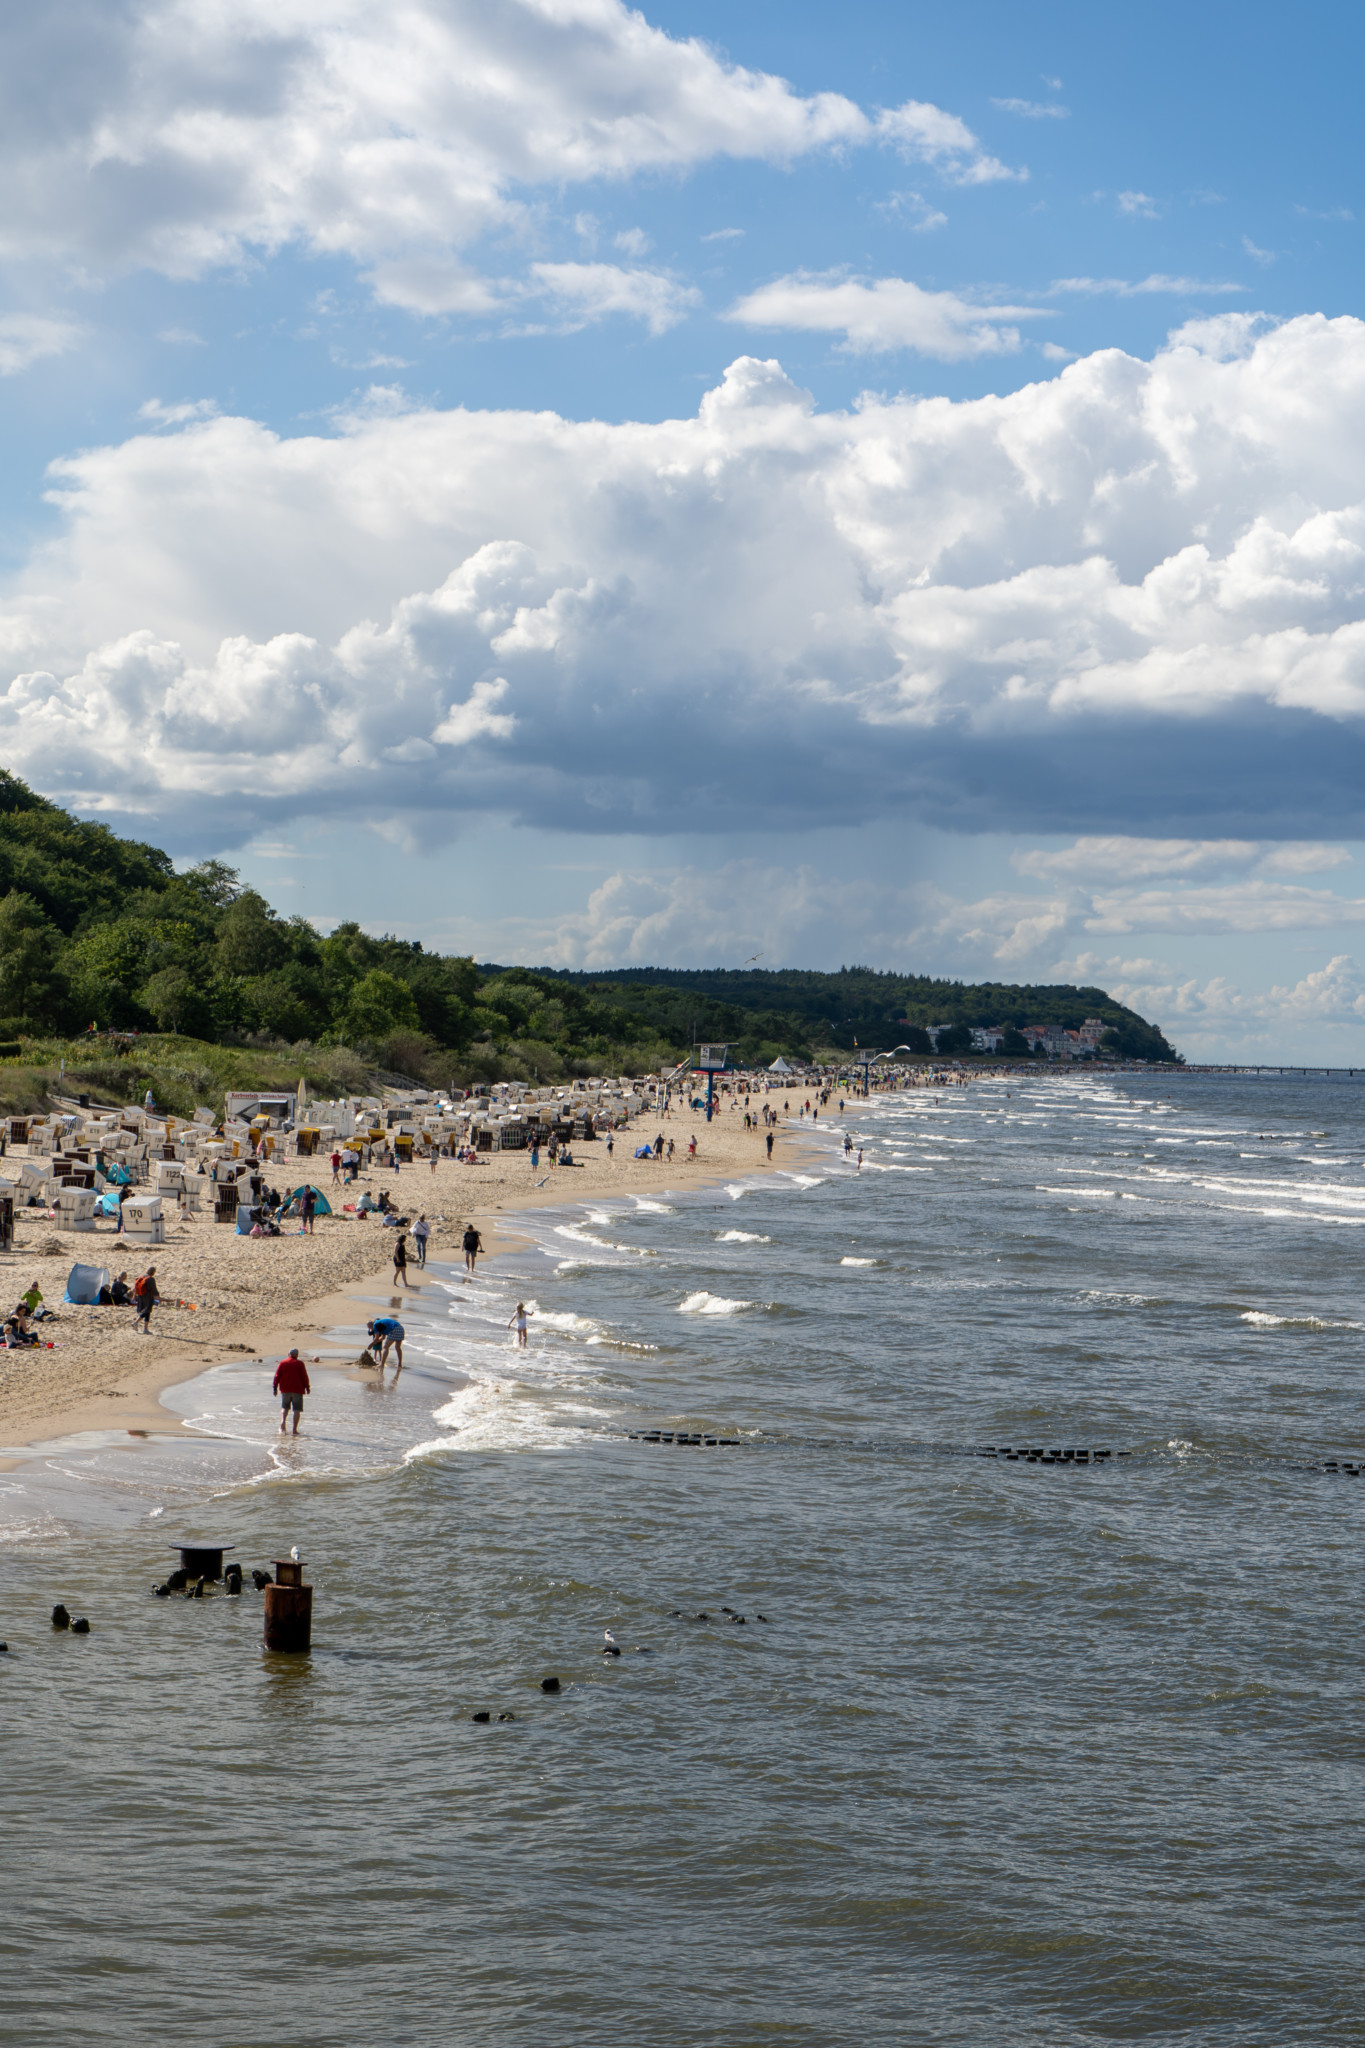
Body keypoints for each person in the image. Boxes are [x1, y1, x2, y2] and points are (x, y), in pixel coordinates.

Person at [273, 1347, 311, 1434]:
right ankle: (294, 1430)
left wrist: (275, 1388)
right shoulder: (300, 1364)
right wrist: (307, 1387)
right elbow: (304, 1377)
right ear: (297, 1355)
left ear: (289, 1354)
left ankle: (282, 1423)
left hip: (285, 1389)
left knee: (284, 1408)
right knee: (297, 1410)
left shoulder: (283, 1363)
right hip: (298, 1390)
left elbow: (277, 1376)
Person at [133, 1266, 159, 1333]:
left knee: (146, 1312)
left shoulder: (142, 1277)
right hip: (148, 1297)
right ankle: (136, 1323)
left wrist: (134, 1296)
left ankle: (145, 1329)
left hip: (140, 1297)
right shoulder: (151, 1279)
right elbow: (154, 1289)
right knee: (147, 1311)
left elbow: (135, 1288)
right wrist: (158, 1296)